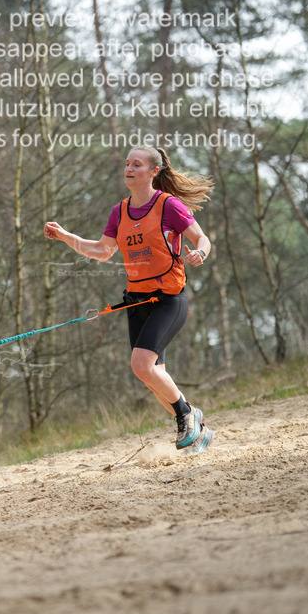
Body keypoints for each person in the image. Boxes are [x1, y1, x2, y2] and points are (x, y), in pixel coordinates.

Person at [43, 146, 214, 454]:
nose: (129, 168)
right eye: (127, 164)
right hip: (136, 301)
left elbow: (201, 238)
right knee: (150, 376)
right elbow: (101, 250)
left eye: (137, 164)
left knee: (141, 364)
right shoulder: (119, 211)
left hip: (168, 300)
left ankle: (187, 415)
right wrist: (66, 236)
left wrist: (199, 252)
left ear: (153, 172)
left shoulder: (168, 205)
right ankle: (195, 426)